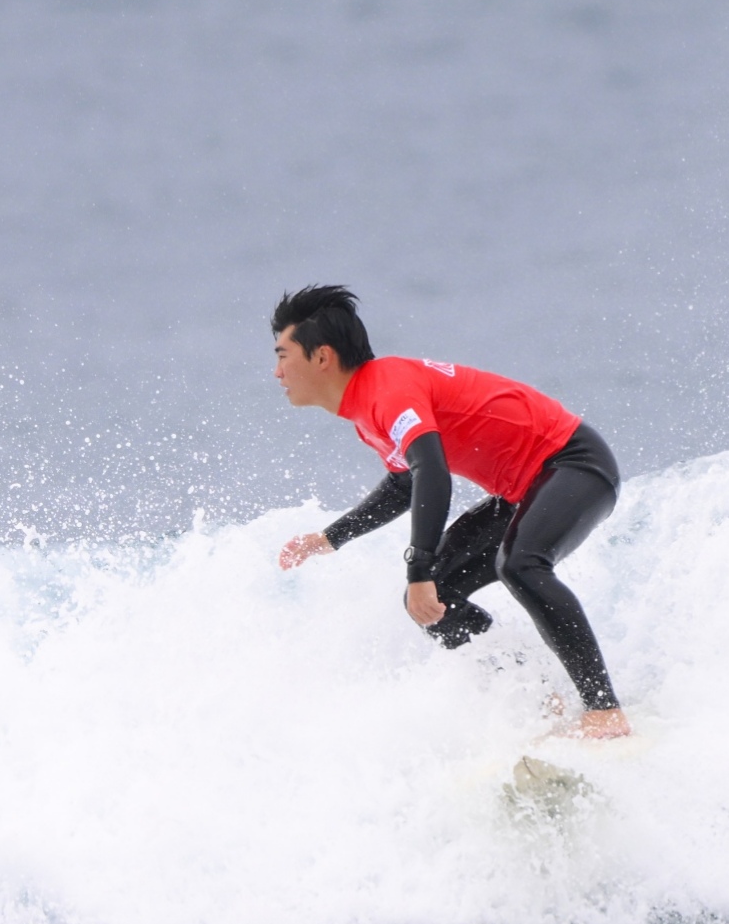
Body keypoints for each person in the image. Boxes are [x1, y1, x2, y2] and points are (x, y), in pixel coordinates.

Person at [270, 285, 631, 739]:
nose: (277, 371)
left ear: (322, 357)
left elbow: (432, 473)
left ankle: (604, 711)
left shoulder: (387, 390)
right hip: (526, 488)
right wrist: (331, 537)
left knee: (521, 564)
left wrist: (417, 569)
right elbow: (405, 483)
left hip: (574, 463)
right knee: (434, 601)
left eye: (283, 356)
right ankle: (543, 700)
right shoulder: (366, 406)